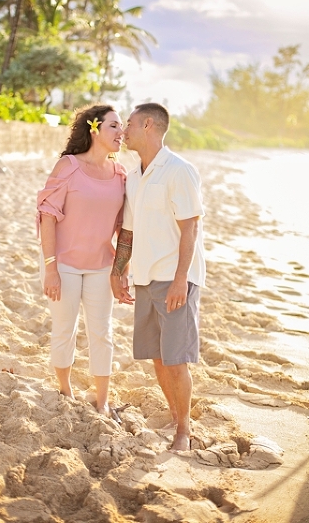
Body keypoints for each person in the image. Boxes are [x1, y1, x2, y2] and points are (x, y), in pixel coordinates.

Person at [110, 102, 206, 452]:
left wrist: (181, 279)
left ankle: (184, 429)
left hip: (175, 278)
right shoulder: (134, 177)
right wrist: (118, 270)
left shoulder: (179, 170)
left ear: (148, 125)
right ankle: (175, 415)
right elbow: (128, 232)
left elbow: (190, 228)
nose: (124, 131)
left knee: (176, 358)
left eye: (130, 124)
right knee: (159, 357)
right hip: (145, 279)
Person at [36, 104, 126, 418]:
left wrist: (121, 270)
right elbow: (47, 215)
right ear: (94, 129)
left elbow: (125, 225)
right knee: (65, 328)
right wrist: (50, 268)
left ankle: (102, 400)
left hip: (102, 264)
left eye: (122, 126)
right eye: (114, 126)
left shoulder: (120, 174)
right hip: (63, 264)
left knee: (102, 332)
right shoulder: (68, 166)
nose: (121, 132)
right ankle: (65, 390)